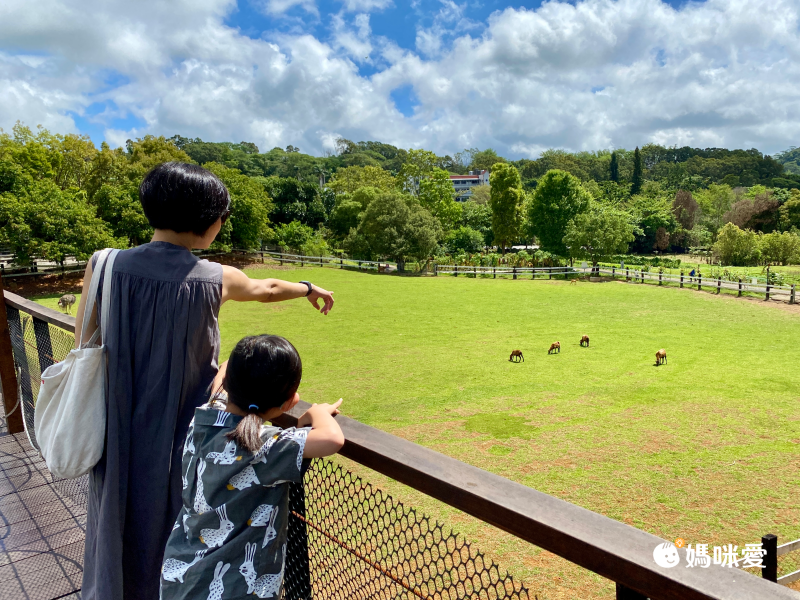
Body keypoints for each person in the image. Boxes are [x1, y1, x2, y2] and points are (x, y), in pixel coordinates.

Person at [73, 162, 335, 600]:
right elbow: (267, 288)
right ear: (211, 222)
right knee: (184, 523)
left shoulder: (104, 265)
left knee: (115, 520)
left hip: (114, 430)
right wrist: (308, 286)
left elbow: (85, 339)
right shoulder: (214, 276)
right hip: (190, 431)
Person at [160, 334, 343, 600]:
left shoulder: (205, 418)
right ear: (288, 402)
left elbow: (223, 371)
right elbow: (332, 439)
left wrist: (246, 363)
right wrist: (318, 412)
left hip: (180, 577)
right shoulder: (265, 445)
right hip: (236, 590)